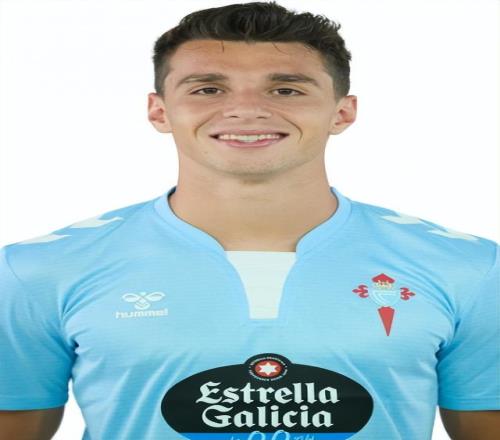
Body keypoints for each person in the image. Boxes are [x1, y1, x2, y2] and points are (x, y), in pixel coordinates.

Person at [0, 1, 498, 439]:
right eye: (207, 89)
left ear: (342, 113)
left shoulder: (470, 268)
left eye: (286, 90)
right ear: (159, 111)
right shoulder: (39, 269)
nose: (245, 109)